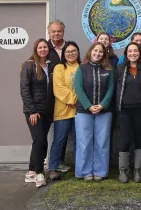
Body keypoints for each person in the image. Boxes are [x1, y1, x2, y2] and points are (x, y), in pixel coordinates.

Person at [74, 42, 114, 181]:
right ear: (90, 51)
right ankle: (84, 172)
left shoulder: (108, 70)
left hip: (104, 111)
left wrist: (103, 105)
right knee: (84, 142)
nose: (97, 53)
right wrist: (89, 106)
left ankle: (100, 171)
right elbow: (79, 89)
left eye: (101, 52)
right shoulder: (82, 68)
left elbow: (111, 89)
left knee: (102, 142)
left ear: (104, 54)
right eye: (95, 51)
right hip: (84, 112)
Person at [115, 42, 141, 183]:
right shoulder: (120, 69)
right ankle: (123, 170)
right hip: (124, 110)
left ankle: (137, 169)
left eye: (135, 51)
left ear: (140, 53)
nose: (133, 53)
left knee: (139, 139)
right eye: (130, 51)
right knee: (125, 140)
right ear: (126, 54)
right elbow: (115, 89)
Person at [20, 39, 55, 187]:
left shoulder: (49, 66)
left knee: (40, 140)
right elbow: (24, 90)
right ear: (36, 49)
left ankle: (31, 171)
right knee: (39, 140)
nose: (42, 50)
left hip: (47, 111)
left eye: (45, 47)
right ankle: (39, 173)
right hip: (34, 111)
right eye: (40, 47)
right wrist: (32, 111)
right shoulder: (29, 66)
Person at [48, 42, 81, 181]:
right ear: (63, 54)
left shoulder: (83, 67)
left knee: (79, 141)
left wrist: (80, 101)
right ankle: (53, 168)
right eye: (68, 51)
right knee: (59, 140)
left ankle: (80, 168)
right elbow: (59, 88)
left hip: (80, 112)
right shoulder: (59, 68)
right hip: (63, 111)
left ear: (78, 52)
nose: (71, 54)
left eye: (74, 51)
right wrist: (75, 99)